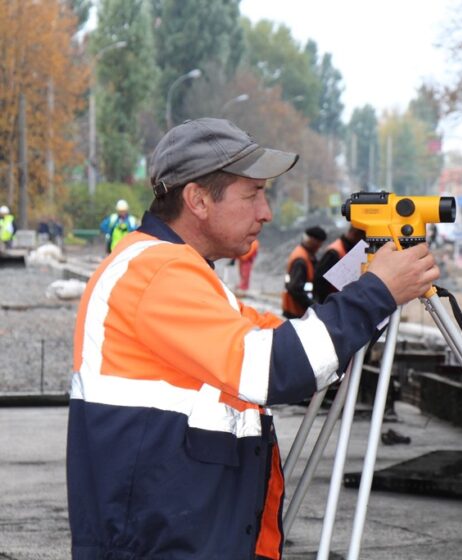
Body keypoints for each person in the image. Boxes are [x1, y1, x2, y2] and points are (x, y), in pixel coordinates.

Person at [66, 117, 439, 560]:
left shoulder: (178, 272)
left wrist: (367, 295)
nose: (266, 212)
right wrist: (375, 294)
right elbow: (273, 368)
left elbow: (273, 336)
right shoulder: (157, 272)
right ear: (198, 199)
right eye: (253, 194)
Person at [281, 225, 326, 318]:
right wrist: (312, 306)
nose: (319, 247)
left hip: (297, 310)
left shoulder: (306, 255)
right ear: (312, 241)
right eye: (318, 244)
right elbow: (295, 288)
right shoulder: (301, 259)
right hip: (295, 311)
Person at [314, 225, 365, 303]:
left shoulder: (348, 248)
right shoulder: (334, 252)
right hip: (332, 301)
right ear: (355, 234)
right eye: (362, 237)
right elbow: (319, 282)